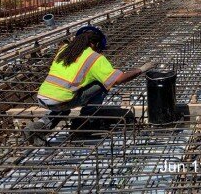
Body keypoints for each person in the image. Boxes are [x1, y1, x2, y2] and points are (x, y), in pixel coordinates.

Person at [24, 26, 154, 145]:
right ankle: (85, 122)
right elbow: (118, 79)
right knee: (102, 83)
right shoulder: (94, 58)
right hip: (61, 99)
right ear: (95, 44)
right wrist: (141, 70)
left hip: (43, 96)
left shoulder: (63, 50)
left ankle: (41, 125)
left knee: (65, 103)